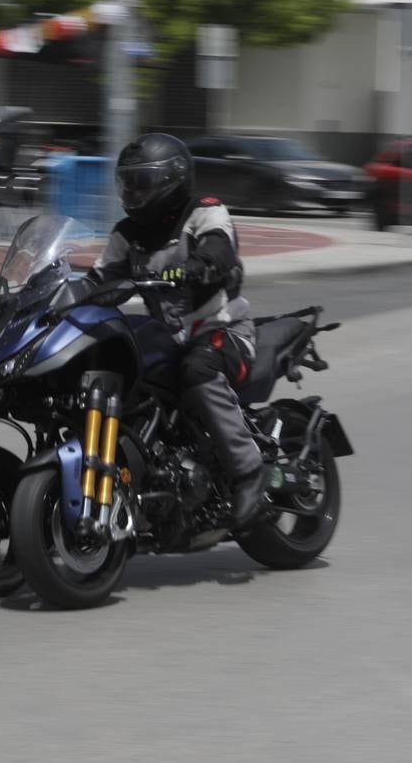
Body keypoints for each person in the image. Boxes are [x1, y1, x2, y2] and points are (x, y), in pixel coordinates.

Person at [88, 133, 267, 530]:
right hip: (171, 339)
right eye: (128, 182)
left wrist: (198, 266)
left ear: (172, 181)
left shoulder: (205, 212)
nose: (133, 191)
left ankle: (248, 471)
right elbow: (97, 279)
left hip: (225, 330)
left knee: (198, 369)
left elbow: (220, 249)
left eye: (142, 182)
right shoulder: (126, 234)